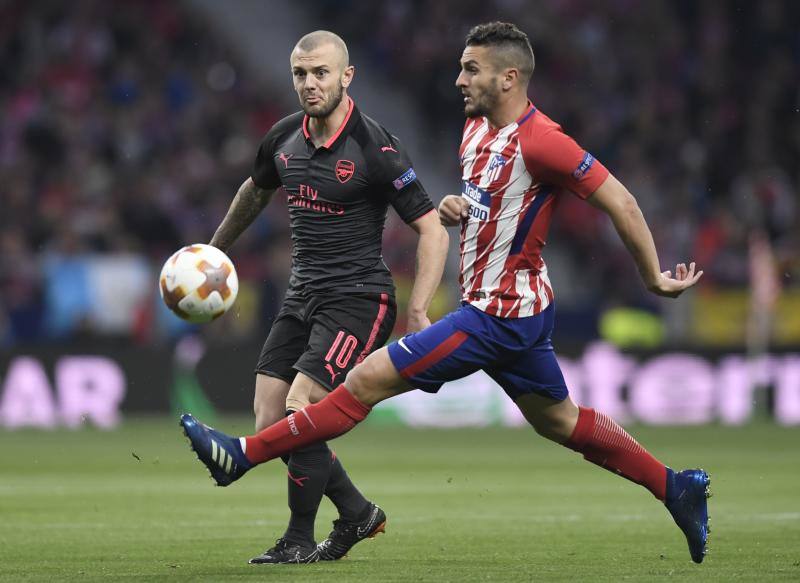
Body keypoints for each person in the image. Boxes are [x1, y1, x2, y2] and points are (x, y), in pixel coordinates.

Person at [181, 22, 711, 563]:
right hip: (508, 312)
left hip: (498, 315)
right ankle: (676, 486)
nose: (458, 79)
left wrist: (652, 276)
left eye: (471, 69)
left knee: (364, 382)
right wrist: (461, 207)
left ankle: (243, 455)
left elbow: (619, 201)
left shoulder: (543, 139)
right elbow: (496, 206)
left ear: (509, 78)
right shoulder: (476, 129)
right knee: (563, 422)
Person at [197, 30, 448, 564]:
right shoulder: (283, 136)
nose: (309, 85)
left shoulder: (376, 147)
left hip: (359, 298)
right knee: (271, 422)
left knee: (301, 406)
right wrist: (212, 253)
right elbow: (254, 191)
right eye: (300, 74)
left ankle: (298, 539)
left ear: (346, 77)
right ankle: (357, 513)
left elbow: (433, 229)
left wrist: (420, 308)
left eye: (321, 74)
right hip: (302, 293)